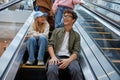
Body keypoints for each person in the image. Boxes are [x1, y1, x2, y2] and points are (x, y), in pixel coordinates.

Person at [47, 9, 83, 80]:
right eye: (64, 16)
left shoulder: (76, 35)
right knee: (51, 71)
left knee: (76, 71)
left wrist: (69, 60)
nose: (65, 18)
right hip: (56, 56)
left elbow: (76, 51)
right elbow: (50, 45)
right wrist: (53, 57)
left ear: (73, 20)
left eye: (68, 16)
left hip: (70, 58)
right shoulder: (56, 31)